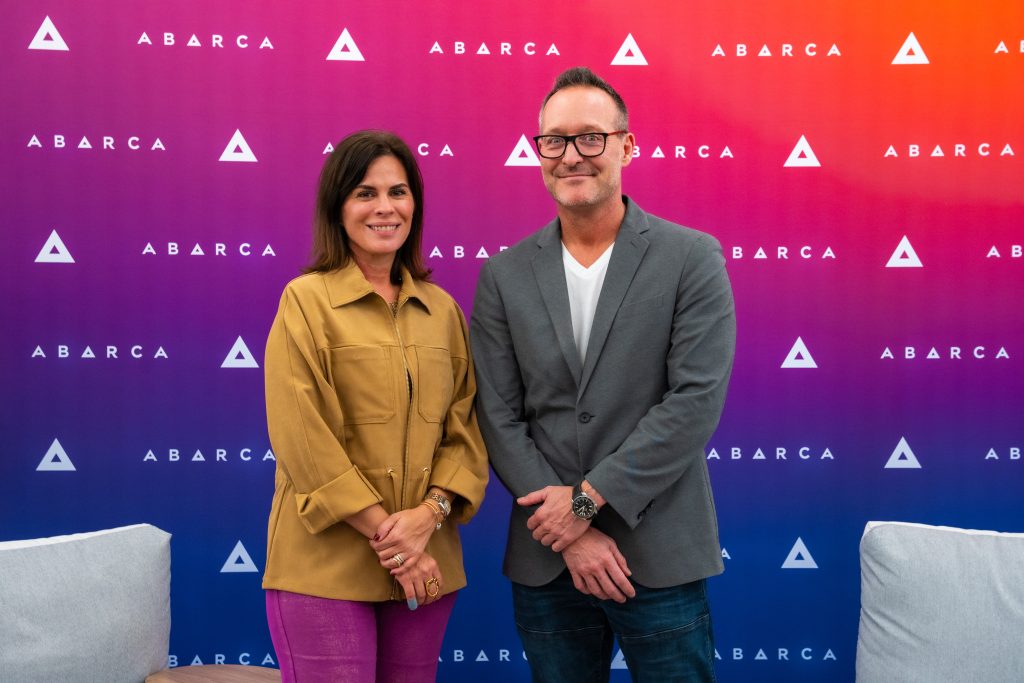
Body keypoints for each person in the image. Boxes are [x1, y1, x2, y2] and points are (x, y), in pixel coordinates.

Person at [470, 67, 736, 682]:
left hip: (659, 551)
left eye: (591, 137)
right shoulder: (504, 275)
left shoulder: (691, 257)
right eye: (555, 141)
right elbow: (498, 415)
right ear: (538, 153)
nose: (572, 156)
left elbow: (693, 401)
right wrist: (569, 533)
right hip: (547, 559)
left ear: (626, 144)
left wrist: (585, 504)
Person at [262, 130, 489, 683]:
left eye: (398, 192)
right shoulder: (306, 301)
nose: (385, 207)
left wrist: (428, 518)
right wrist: (398, 541)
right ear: (338, 207)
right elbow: (303, 438)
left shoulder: (443, 311)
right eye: (365, 193)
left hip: (427, 560)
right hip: (327, 567)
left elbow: (466, 433)